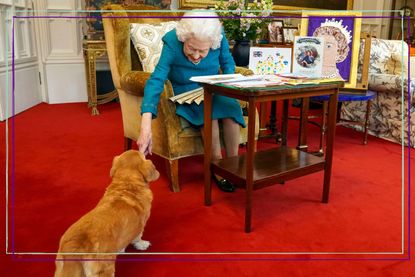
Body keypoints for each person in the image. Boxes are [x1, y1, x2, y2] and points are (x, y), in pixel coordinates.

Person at [137, 11, 245, 193]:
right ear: (184, 38)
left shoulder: (218, 37)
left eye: (202, 51)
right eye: (191, 48)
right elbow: (156, 79)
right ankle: (217, 166)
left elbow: (228, 65)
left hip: (213, 87)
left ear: (212, 43)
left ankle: (232, 165)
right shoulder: (172, 41)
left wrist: (229, 89)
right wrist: (146, 121)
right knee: (208, 114)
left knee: (230, 110)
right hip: (185, 90)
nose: (196, 56)